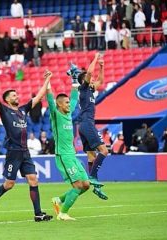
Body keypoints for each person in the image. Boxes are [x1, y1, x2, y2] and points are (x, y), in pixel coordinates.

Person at [0, 70, 52, 222]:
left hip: (25, 152)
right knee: (9, 184)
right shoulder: (5, 110)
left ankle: (38, 213)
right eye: (13, 95)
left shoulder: (23, 110)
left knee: (33, 180)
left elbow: (39, 96)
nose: (17, 96)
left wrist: (47, 80)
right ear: (7, 99)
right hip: (13, 153)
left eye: (17, 94)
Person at [45, 69, 90, 221]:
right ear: (59, 105)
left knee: (86, 185)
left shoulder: (68, 114)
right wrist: (48, 82)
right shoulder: (56, 115)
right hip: (63, 156)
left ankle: (58, 200)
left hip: (72, 155)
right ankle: (63, 213)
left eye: (68, 103)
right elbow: (50, 100)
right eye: (66, 103)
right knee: (77, 185)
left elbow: (75, 97)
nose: (69, 105)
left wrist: (75, 79)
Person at [75, 53, 108, 200]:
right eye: (91, 79)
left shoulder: (90, 91)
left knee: (91, 155)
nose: (94, 80)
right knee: (104, 150)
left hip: (83, 125)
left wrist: (102, 66)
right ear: (84, 81)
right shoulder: (83, 89)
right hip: (87, 123)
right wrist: (95, 58)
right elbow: (89, 73)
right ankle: (93, 176)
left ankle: (95, 186)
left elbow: (100, 80)